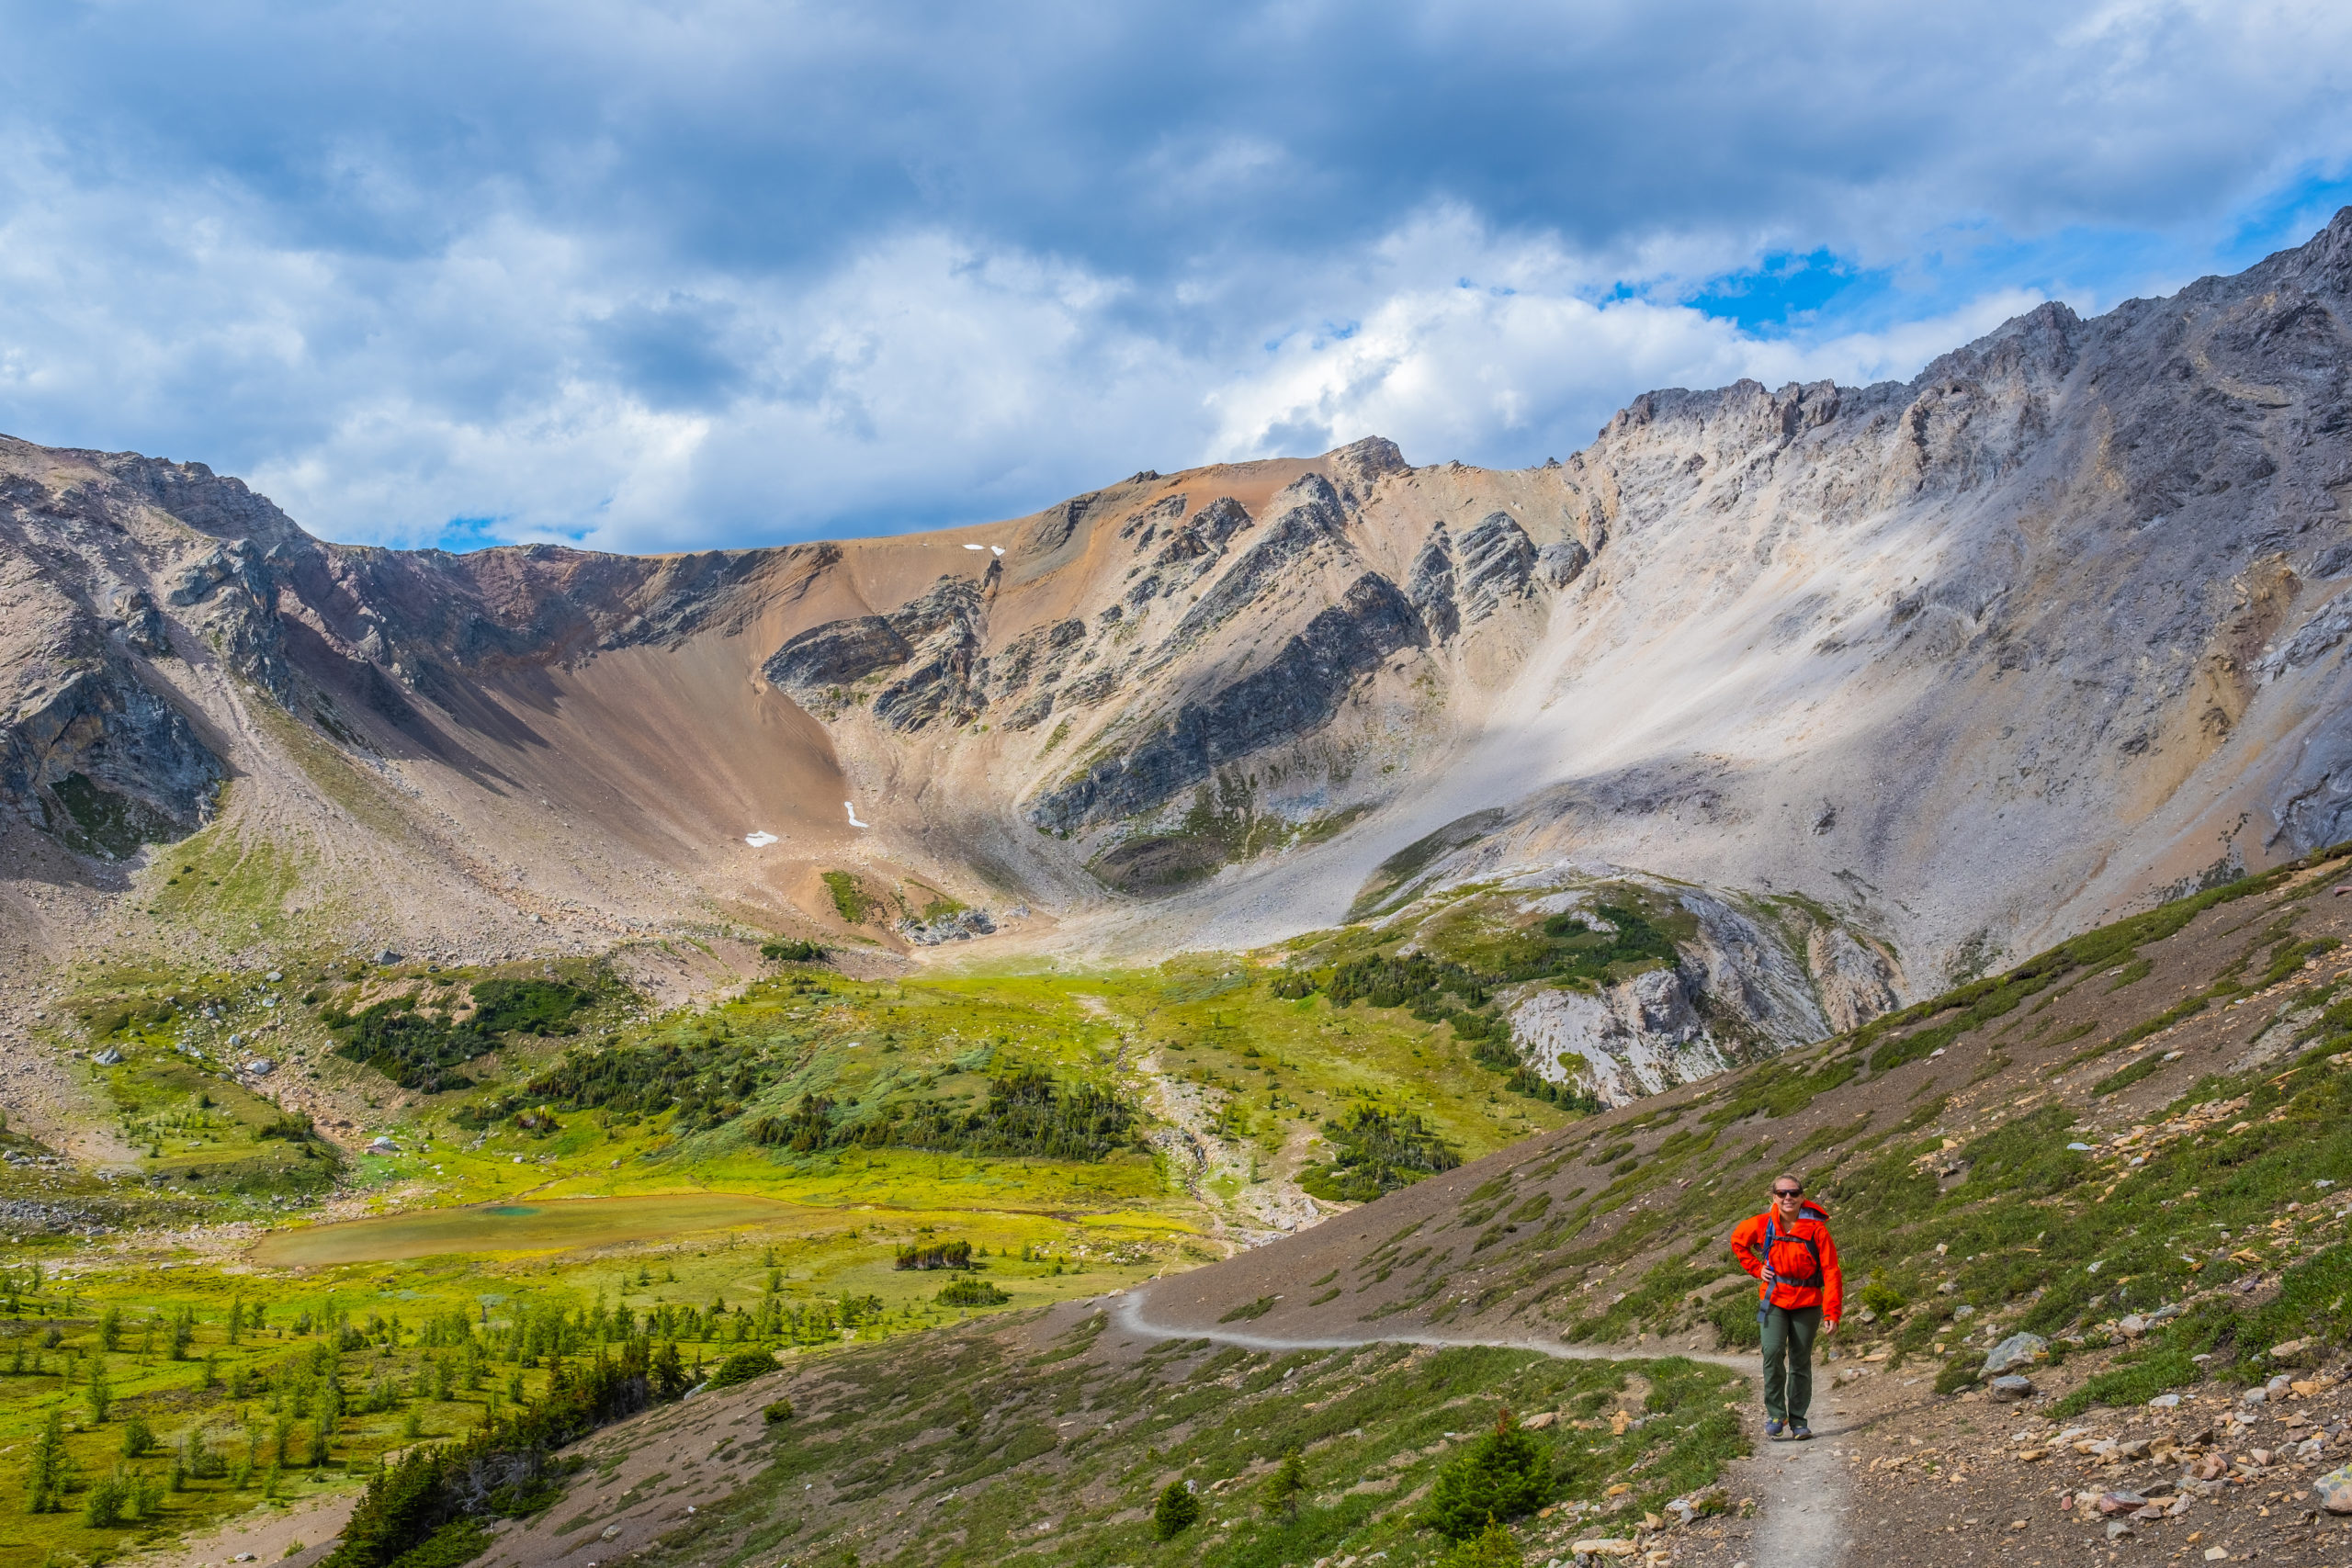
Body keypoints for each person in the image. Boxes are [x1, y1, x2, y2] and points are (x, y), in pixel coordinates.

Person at [1730, 1174, 1841, 1440]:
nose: (1788, 1198)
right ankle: (1777, 1414)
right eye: (1782, 1194)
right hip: (1774, 1300)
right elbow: (1738, 1241)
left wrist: (1832, 1312)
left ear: (1803, 1197)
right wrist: (1757, 1269)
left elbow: (1831, 1271)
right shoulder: (1762, 1223)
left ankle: (1799, 1421)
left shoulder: (1817, 1230)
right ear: (1774, 1197)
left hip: (1808, 1301)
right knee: (1772, 1352)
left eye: (1793, 1193)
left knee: (1800, 1361)